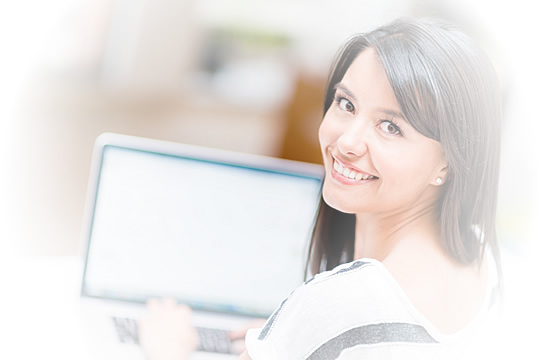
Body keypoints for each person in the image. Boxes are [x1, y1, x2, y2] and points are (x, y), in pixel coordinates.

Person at [139, 17, 503, 359]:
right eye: (346, 104)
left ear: (449, 162)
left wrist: (167, 349)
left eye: (391, 127)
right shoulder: (483, 260)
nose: (347, 141)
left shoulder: (338, 304)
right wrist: (291, 336)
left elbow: (346, 314)